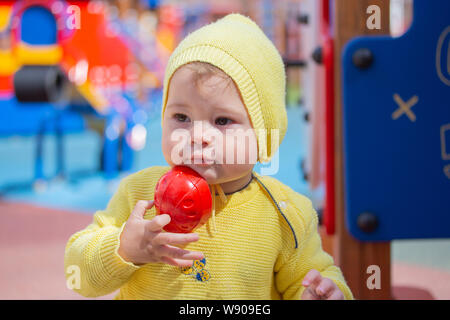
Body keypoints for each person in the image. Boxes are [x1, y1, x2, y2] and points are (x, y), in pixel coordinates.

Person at [64, 13, 353, 300]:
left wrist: (322, 292)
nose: (196, 135)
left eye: (222, 121)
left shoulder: (285, 213)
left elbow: (312, 276)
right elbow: (77, 275)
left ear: (263, 134)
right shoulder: (139, 195)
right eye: (181, 117)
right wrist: (122, 248)